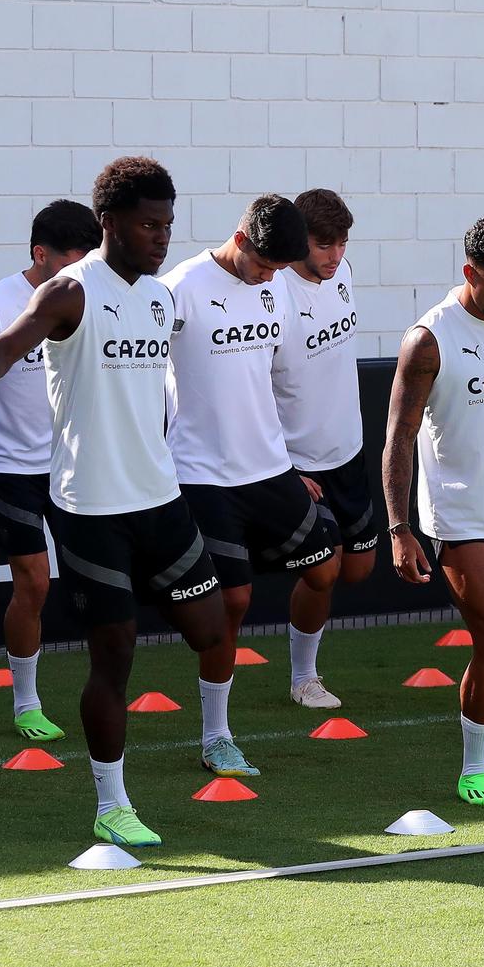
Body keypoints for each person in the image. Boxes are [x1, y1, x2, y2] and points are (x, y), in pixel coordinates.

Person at [0, 156, 224, 848]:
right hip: (89, 507)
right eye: (148, 223)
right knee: (116, 654)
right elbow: (6, 347)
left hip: (160, 498)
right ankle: (111, 801)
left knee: (211, 627)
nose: (162, 236)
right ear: (110, 223)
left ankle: (212, 733)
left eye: (167, 223)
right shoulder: (71, 292)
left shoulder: (161, 297)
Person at [161, 195, 342, 777]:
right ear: (240, 241)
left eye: (278, 269)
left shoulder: (276, 285)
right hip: (202, 474)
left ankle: (302, 678)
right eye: (264, 265)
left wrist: (293, 460)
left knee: (325, 565)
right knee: (231, 602)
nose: (270, 278)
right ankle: (217, 735)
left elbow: (269, 379)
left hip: (269, 466)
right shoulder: (178, 289)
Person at [382, 216, 484, 808]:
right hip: (460, 517)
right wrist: (400, 528)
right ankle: (474, 768)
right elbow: (399, 437)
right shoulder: (428, 339)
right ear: (469, 273)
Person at [0, 199, 101, 743]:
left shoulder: (93, 295)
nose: (85, 267)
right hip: (15, 471)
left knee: (98, 584)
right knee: (32, 582)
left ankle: (101, 691)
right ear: (40, 254)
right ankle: (26, 701)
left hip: (76, 465)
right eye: (76, 256)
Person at [271, 188, 380, 694]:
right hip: (298, 464)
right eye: (323, 245)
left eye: (342, 244)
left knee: (358, 570)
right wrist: (284, 467)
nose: (335, 256)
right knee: (325, 569)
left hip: (349, 451)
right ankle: (303, 676)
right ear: (298, 241)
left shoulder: (344, 275)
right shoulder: (273, 296)